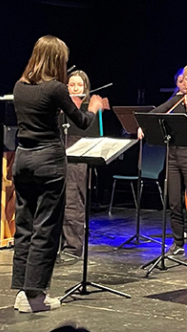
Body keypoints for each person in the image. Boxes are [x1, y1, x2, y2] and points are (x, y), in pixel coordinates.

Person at [11, 35, 104, 313]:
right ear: (56, 60)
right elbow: (82, 122)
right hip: (48, 161)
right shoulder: (56, 88)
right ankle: (35, 296)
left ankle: (22, 291)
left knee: (25, 226)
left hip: (22, 159)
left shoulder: (20, 85)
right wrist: (93, 107)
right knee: (46, 228)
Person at [138, 64, 187, 263]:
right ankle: (178, 243)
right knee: (174, 202)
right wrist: (144, 125)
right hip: (173, 155)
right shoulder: (177, 98)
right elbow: (158, 111)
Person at [58, 70, 101, 262]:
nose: (75, 88)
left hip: (78, 159)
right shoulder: (59, 107)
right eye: (72, 85)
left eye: (79, 85)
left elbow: (94, 135)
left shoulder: (88, 109)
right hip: (57, 156)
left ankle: (72, 248)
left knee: (72, 204)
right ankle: (56, 245)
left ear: (85, 88)